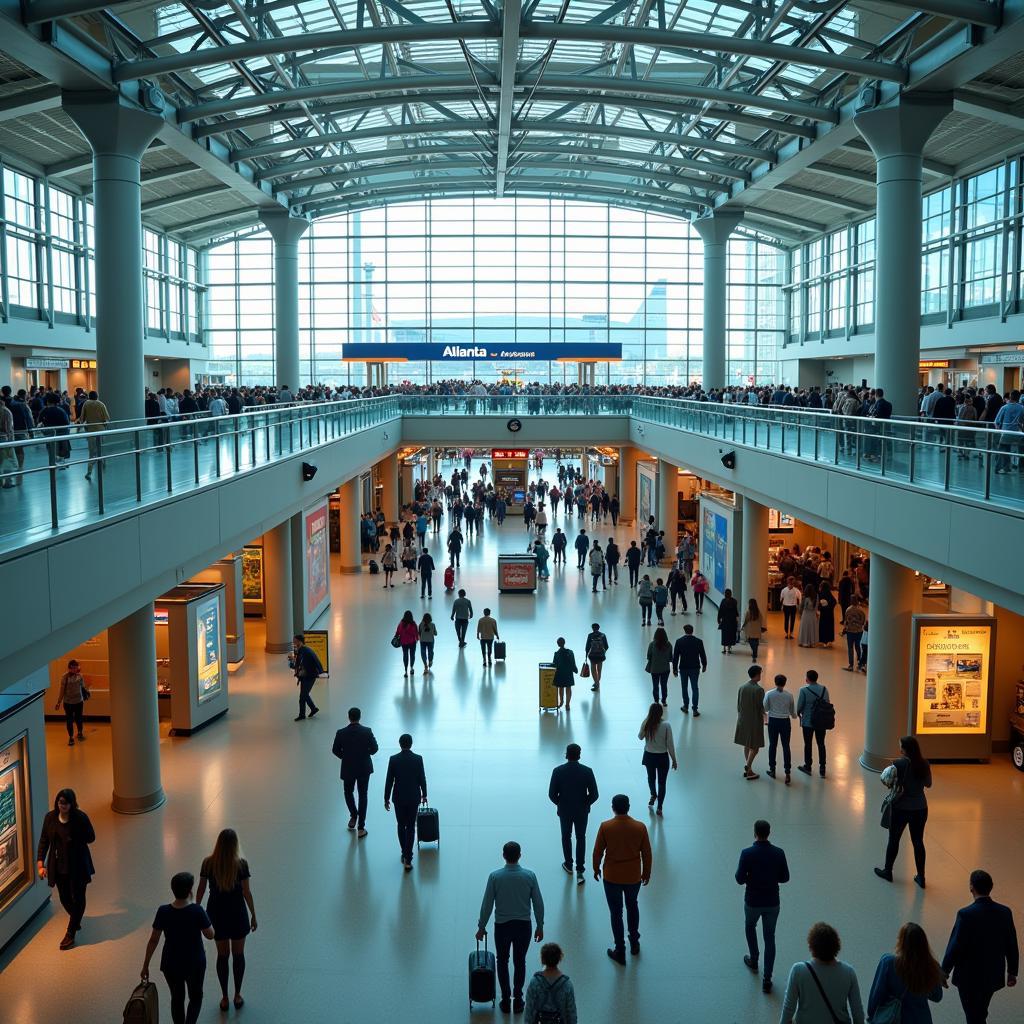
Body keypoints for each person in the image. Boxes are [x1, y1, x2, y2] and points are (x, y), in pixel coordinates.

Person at [476, 841, 545, 1014]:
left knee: (503, 960)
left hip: (502, 926)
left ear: (503, 856)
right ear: (520, 855)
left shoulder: (495, 877)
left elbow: (487, 905)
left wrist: (481, 926)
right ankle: (519, 998)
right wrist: (540, 925)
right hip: (524, 926)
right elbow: (538, 903)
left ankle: (506, 999)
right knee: (519, 960)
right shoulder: (530, 876)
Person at [941, 869, 1019, 1023]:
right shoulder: (1005, 912)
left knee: (973, 1016)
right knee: (980, 1012)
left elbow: (955, 946)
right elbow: (1011, 943)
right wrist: (1012, 971)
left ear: (971, 887)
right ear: (991, 886)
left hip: (968, 978)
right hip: (992, 976)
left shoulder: (966, 914)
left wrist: (944, 972)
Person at [141, 872, 215, 1024]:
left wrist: (145, 965)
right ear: (190, 891)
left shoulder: (163, 911)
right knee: (195, 997)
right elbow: (210, 935)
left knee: (177, 997)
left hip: (171, 963)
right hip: (195, 962)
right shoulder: (197, 911)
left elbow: (153, 940)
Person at [196, 829, 257, 1011]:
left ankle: (224, 997)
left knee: (222, 956)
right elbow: (246, 892)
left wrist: (197, 911)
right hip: (237, 913)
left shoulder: (208, 863)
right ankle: (237, 994)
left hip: (216, 914)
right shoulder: (241, 865)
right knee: (238, 956)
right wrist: (254, 914)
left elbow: (200, 889)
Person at [593, 794, 652, 965]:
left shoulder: (606, 827)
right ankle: (634, 941)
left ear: (613, 807)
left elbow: (598, 851)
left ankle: (620, 949)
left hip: (612, 876)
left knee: (616, 912)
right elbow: (646, 853)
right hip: (633, 875)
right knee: (632, 905)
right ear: (628, 807)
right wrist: (646, 872)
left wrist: (596, 867)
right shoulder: (639, 827)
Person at [36, 788, 95, 950]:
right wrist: (40, 863)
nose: (62, 806)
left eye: (66, 803)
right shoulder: (50, 818)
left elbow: (91, 837)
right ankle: (76, 918)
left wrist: (76, 837)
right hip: (59, 864)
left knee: (79, 895)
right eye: (60, 802)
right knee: (64, 897)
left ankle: (70, 932)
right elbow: (44, 841)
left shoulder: (80, 818)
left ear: (72, 804)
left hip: (78, 865)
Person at [736, 819, 790, 995]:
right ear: (769, 833)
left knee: (750, 926)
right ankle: (767, 977)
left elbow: (739, 879)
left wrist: (751, 878)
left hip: (753, 901)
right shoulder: (779, 853)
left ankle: (754, 958)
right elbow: (785, 878)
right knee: (770, 937)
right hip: (772, 902)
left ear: (754, 833)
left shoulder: (747, 853)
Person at [875, 735, 932, 888]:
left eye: (900, 746)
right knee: (918, 841)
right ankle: (921, 877)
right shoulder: (924, 764)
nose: (899, 748)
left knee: (894, 839)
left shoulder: (898, 764)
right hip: (920, 807)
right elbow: (929, 784)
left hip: (901, 807)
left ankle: (888, 871)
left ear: (904, 749)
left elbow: (887, 781)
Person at [780, 922, 865, 1024]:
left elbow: (788, 1008)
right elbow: (857, 1012)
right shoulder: (849, 972)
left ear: (811, 946)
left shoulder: (799, 971)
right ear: (836, 946)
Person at [867, 923, 944, 1023]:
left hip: (895, 1019)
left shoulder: (889, 963)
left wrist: (872, 1017)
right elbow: (937, 997)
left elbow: (876, 996)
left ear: (901, 942)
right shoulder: (931, 966)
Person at [548, 743, 599, 884]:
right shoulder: (587, 771)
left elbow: (552, 794)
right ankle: (580, 868)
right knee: (581, 837)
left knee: (566, 836)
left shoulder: (557, 771)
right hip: (582, 811)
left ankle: (569, 864)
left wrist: (560, 803)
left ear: (566, 754)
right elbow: (594, 794)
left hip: (565, 810)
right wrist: (585, 803)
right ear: (579, 755)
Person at [331, 707, 379, 838]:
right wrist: (364, 754)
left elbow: (335, 750)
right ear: (360, 717)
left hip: (348, 767)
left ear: (348, 717)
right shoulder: (367, 731)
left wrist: (345, 757)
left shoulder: (341, 733)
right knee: (363, 795)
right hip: (364, 767)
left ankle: (353, 814)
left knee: (348, 792)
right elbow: (375, 749)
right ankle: (361, 827)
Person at [384, 733, 428, 871]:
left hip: (398, 797)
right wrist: (424, 794)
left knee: (400, 825)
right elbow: (422, 778)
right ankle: (408, 858)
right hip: (413, 797)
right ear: (411, 744)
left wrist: (386, 798)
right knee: (410, 826)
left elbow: (389, 780)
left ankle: (404, 852)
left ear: (400, 744)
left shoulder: (394, 759)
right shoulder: (418, 759)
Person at [522, 943, 578, 1024]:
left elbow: (529, 1010)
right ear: (559, 959)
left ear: (543, 959)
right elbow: (571, 1013)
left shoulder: (535, 982)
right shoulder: (567, 984)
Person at [638, 702, 677, 815]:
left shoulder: (647, 724)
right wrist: (674, 759)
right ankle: (660, 807)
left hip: (649, 755)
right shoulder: (666, 725)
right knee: (662, 782)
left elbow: (640, 737)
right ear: (661, 712)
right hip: (662, 757)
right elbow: (670, 744)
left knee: (651, 778)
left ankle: (653, 794)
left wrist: (645, 722)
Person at [764, 674, 797, 784]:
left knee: (773, 745)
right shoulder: (789, 695)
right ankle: (787, 772)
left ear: (775, 682)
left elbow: (766, 707)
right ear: (785, 683)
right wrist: (794, 716)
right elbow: (792, 711)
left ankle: (772, 769)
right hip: (785, 722)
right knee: (786, 746)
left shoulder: (769, 694)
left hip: (773, 721)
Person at [796, 670, 830, 778]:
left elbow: (799, 706)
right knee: (821, 743)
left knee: (808, 744)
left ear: (807, 679)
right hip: (821, 721)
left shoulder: (804, 690)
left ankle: (808, 766)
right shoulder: (824, 689)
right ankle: (822, 768)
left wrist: (799, 713)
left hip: (807, 722)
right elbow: (828, 703)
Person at [735, 665, 766, 781]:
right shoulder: (759, 690)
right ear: (757, 675)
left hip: (743, 719)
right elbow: (761, 707)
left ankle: (749, 768)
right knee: (755, 746)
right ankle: (748, 767)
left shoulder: (742, 687)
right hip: (754, 721)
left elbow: (738, 705)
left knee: (747, 744)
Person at [672, 623, 707, 715]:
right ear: (692, 631)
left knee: (684, 687)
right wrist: (704, 665)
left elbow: (675, 657)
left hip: (683, 668)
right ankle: (695, 709)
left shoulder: (679, 641)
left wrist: (674, 669)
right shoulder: (698, 641)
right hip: (695, 667)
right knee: (695, 688)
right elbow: (702, 655)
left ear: (684, 631)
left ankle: (685, 706)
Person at [290, 633, 324, 721]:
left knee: (303, 696)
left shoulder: (306, 652)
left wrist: (300, 671)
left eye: (295, 641)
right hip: (306, 676)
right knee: (304, 695)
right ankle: (313, 709)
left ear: (299, 642)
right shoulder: (302, 650)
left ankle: (303, 714)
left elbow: (307, 664)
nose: (293, 643)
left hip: (309, 677)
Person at [55, 658, 87, 745]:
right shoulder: (65, 677)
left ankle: (80, 732)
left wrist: (85, 694)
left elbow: (83, 687)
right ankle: (71, 737)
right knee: (69, 720)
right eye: (73, 668)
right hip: (68, 703)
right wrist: (58, 702)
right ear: (69, 668)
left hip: (78, 702)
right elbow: (62, 690)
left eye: (76, 667)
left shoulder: (80, 676)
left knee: (79, 718)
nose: (75, 669)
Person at [646, 627, 672, 705]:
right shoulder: (668, 645)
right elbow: (671, 658)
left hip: (654, 669)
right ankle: (664, 700)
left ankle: (656, 700)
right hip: (665, 669)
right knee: (664, 685)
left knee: (655, 685)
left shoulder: (652, 644)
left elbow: (648, 656)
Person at [551, 638, 578, 710]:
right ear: (564, 642)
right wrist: (575, 669)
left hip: (560, 673)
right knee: (568, 688)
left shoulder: (556, 654)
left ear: (558, 644)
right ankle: (567, 704)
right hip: (568, 673)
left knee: (561, 688)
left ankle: (561, 702)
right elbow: (573, 662)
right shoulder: (570, 652)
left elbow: (554, 664)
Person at [841, 596, 866, 672]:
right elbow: (862, 622)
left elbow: (846, 621)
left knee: (850, 648)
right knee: (858, 647)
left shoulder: (848, 610)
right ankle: (859, 663)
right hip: (858, 631)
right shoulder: (861, 610)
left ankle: (851, 665)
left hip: (850, 632)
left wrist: (846, 628)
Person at [394, 610, 419, 677]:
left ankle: (405, 671)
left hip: (404, 642)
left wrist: (396, 637)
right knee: (412, 655)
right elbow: (416, 632)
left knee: (405, 655)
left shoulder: (401, 624)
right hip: (412, 642)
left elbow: (397, 632)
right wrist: (417, 639)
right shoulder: (413, 624)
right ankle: (411, 668)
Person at [584, 622, 608, 692]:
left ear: (592, 628)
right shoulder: (603, 635)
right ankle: (597, 683)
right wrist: (603, 652)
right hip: (600, 655)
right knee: (599, 670)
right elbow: (606, 646)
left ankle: (596, 684)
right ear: (599, 628)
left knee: (593, 671)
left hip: (592, 655)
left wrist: (586, 655)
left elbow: (587, 646)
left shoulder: (590, 635)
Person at [718, 587, 740, 654]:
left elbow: (720, 611)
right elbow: (736, 612)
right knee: (731, 634)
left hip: (725, 621)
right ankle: (729, 648)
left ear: (725, 594)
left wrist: (718, 619)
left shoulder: (723, 601)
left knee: (724, 635)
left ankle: (724, 649)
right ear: (731, 594)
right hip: (732, 621)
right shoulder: (734, 601)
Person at [817, 581, 837, 647]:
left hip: (824, 613)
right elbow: (834, 602)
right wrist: (829, 607)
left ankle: (823, 640)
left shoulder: (821, 594)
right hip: (830, 613)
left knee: (823, 626)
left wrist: (821, 607)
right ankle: (829, 640)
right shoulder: (829, 594)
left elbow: (819, 604)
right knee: (829, 627)